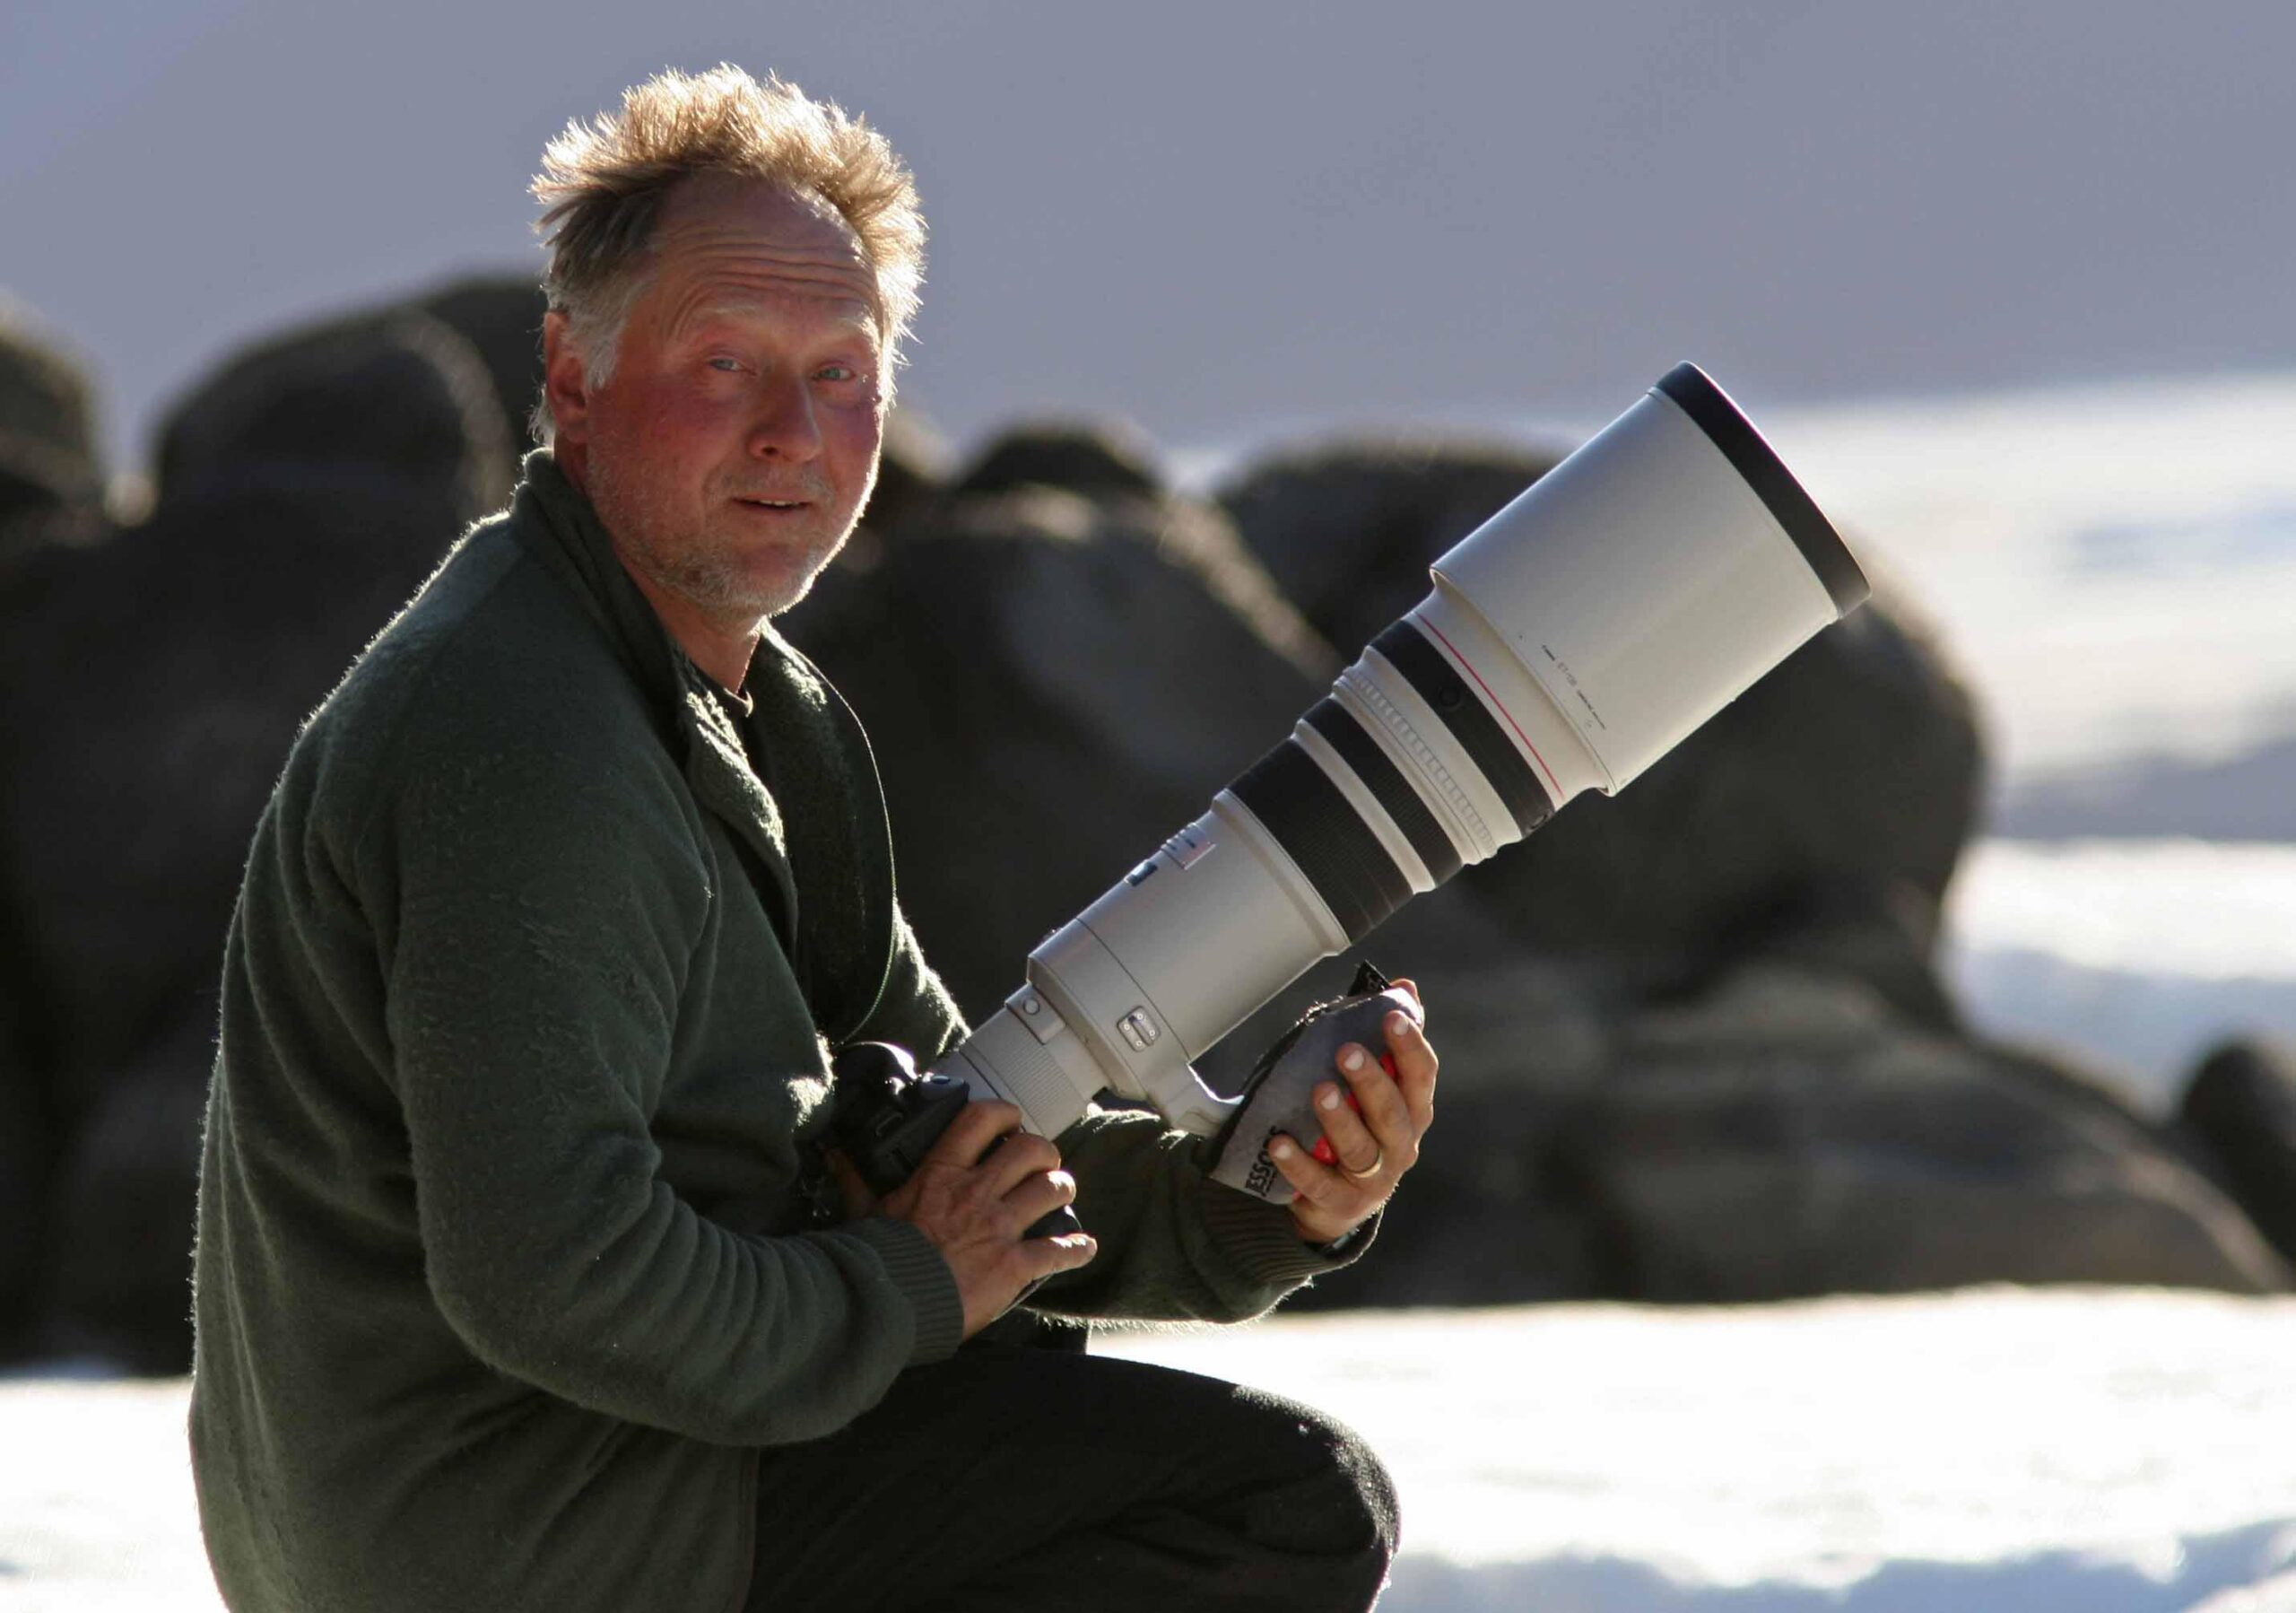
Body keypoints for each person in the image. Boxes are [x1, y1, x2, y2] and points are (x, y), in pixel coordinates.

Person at [189, 65, 1438, 1613]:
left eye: (842, 374)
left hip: (623, 1480)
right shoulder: (518, 730)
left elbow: (964, 1144)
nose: (794, 433)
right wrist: (906, 1284)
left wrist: (1252, 1196)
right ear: (573, 384)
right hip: (509, 1538)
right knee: (1272, 1507)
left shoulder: (754, 711)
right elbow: (553, 1279)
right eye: (726, 363)